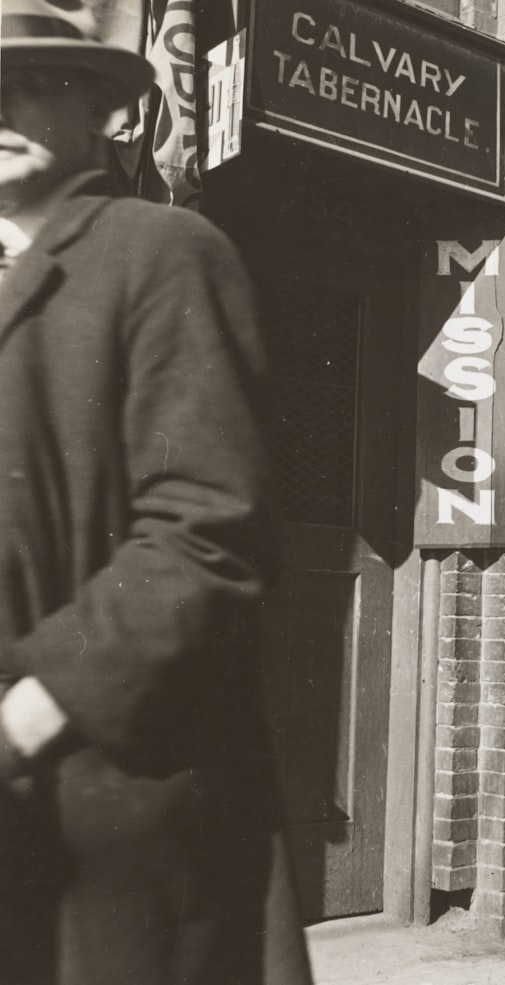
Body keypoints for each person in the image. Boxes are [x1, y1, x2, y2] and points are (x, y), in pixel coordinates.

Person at [0, 3, 312, 983]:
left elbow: (205, 530)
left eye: (31, 81)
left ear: (98, 107)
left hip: (105, 796)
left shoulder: (160, 252)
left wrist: (30, 713)